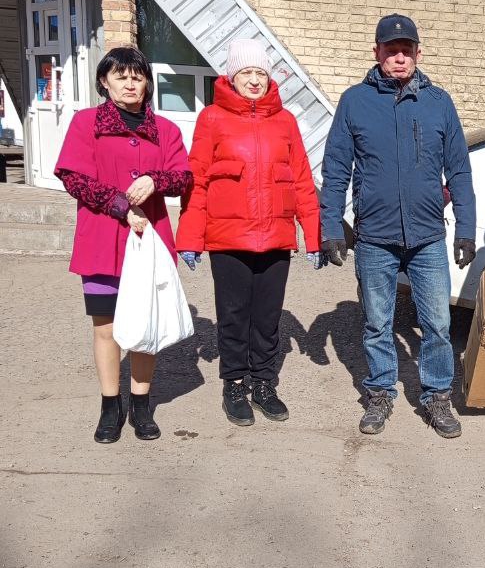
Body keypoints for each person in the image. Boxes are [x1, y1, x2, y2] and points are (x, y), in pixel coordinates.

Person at [319, 15, 476, 439]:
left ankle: (437, 395)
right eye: (391, 51)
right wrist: (330, 226)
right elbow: (336, 168)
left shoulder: (438, 102)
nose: (400, 58)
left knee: (438, 324)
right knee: (377, 323)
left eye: (407, 50)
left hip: (427, 237)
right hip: (374, 236)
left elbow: (459, 170)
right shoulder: (355, 101)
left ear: (418, 53)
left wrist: (466, 228)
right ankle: (381, 391)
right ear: (377, 53)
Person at [176, 40, 322, 426]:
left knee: (268, 318)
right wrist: (189, 238)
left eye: (261, 73)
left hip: (275, 238)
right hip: (228, 240)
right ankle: (234, 385)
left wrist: (313, 236)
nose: (255, 80)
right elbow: (197, 181)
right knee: (233, 315)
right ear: (232, 77)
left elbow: (302, 182)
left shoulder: (285, 121)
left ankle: (264, 384)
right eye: (246, 73)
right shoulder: (212, 118)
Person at [55, 46, 192, 443]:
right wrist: (121, 207)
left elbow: (182, 176)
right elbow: (74, 178)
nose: (130, 83)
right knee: (107, 328)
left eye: (137, 76)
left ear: (147, 82)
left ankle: (141, 405)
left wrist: (155, 179)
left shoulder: (166, 129)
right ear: (104, 82)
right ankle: (110, 405)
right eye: (121, 76)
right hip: (101, 240)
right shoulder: (87, 123)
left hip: (148, 240)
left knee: (145, 325)